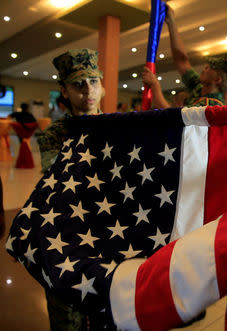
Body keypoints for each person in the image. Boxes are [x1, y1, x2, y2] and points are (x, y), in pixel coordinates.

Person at [37, 48, 105, 331]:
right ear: (64, 91)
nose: (87, 90)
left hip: (107, 235)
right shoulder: (55, 134)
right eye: (78, 84)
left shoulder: (121, 130)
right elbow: (62, 184)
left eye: (93, 81)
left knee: (108, 315)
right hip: (67, 237)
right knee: (68, 319)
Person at [142, 5, 227, 109]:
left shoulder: (211, 105)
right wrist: (171, 23)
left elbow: (172, 116)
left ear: (217, 80)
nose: (205, 68)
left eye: (210, 67)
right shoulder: (200, 88)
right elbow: (182, 62)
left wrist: (155, 85)